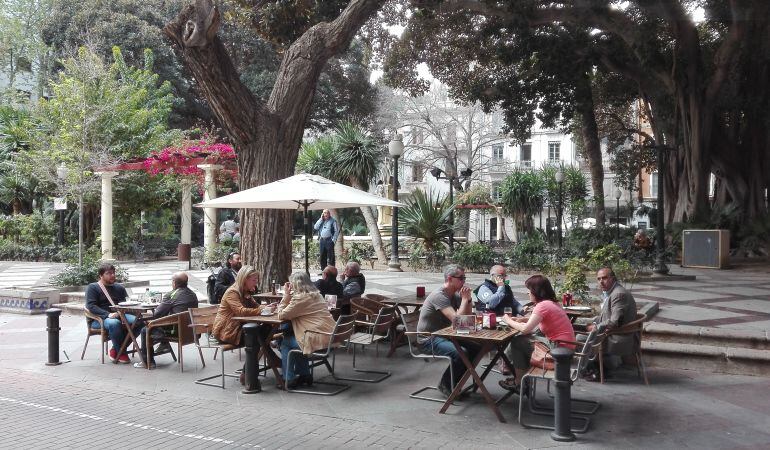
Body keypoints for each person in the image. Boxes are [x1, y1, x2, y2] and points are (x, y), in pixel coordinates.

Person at [499, 275, 576, 393]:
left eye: (529, 291)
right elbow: (539, 320)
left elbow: (526, 329)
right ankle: (521, 378)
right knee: (524, 340)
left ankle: (519, 382)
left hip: (558, 352)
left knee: (518, 341)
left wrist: (507, 320)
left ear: (536, 291)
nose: (528, 294)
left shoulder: (542, 306)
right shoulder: (551, 303)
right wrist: (522, 320)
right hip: (565, 348)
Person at [416, 264, 481, 397]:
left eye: (464, 277)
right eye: (461, 278)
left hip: (446, 335)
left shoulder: (455, 295)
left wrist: (468, 300)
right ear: (450, 279)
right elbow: (458, 322)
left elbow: (466, 320)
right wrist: (464, 299)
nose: (464, 281)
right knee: (460, 353)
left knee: (477, 348)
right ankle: (446, 385)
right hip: (428, 339)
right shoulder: (439, 296)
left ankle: (456, 384)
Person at [212, 265, 275, 390]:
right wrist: (262, 310)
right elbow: (240, 311)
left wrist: (267, 307)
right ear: (244, 279)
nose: (256, 282)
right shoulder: (232, 292)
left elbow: (256, 306)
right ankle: (252, 374)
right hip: (228, 331)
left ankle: (248, 373)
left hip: (240, 329)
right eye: (254, 280)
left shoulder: (245, 292)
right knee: (259, 337)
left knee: (264, 331)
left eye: (256, 280)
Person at [277, 272, 336, 389]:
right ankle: (305, 375)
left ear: (295, 285)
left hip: (316, 339)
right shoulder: (317, 294)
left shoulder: (300, 298)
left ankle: (288, 379)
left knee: (285, 343)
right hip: (329, 336)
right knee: (297, 340)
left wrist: (286, 296)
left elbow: (282, 315)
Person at [133, 272, 199, 369]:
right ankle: (164, 344)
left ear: (174, 283)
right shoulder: (193, 294)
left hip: (176, 332)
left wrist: (146, 318)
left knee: (145, 329)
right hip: (192, 331)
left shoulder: (171, 295)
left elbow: (158, 314)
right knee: (159, 323)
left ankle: (147, 361)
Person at [582, 267, 638, 381]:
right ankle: (598, 369)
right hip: (614, 332)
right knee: (584, 332)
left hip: (619, 337)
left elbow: (614, 321)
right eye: (598, 279)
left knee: (579, 338)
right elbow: (606, 316)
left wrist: (596, 327)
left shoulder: (618, 294)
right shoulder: (612, 292)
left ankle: (596, 370)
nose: (601, 281)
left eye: (604, 278)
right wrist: (594, 322)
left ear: (612, 278)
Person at [85, 263, 134, 364]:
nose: (112, 275)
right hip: (99, 319)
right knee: (114, 323)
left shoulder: (119, 288)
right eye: (108, 273)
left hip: (120, 315)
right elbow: (91, 306)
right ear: (101, 275)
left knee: (138, 322)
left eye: (113, 273)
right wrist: (108, 314)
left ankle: (116, 350)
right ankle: (122, 352)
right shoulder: (93, 287)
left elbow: (126, 303)